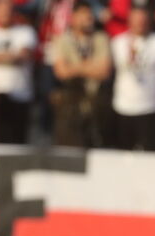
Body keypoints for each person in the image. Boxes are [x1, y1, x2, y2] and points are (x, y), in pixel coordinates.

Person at [110, 5, 155, 150]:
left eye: (143, 18)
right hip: (123, 108)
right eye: (136, 17)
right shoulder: (118, 43)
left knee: (149, 155)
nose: (140, 22)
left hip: (149, 109)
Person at [49, 0, 111, 147]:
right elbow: (62, 72)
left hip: (96, 105)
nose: (87, 19)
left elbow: (104, 71)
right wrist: (90, 66)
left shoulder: (100, 38)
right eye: (83, 15)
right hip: (70, 106)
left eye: (89, 15)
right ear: (73, 17)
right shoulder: (62, 40)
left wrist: (74, 67)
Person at [0, 0, 36, 143]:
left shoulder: (25, 31)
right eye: (1, 10)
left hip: (20, 96)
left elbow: (24, 55)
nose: (5, 14)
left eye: (8, 10)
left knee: (18, 143)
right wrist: (12, 55)